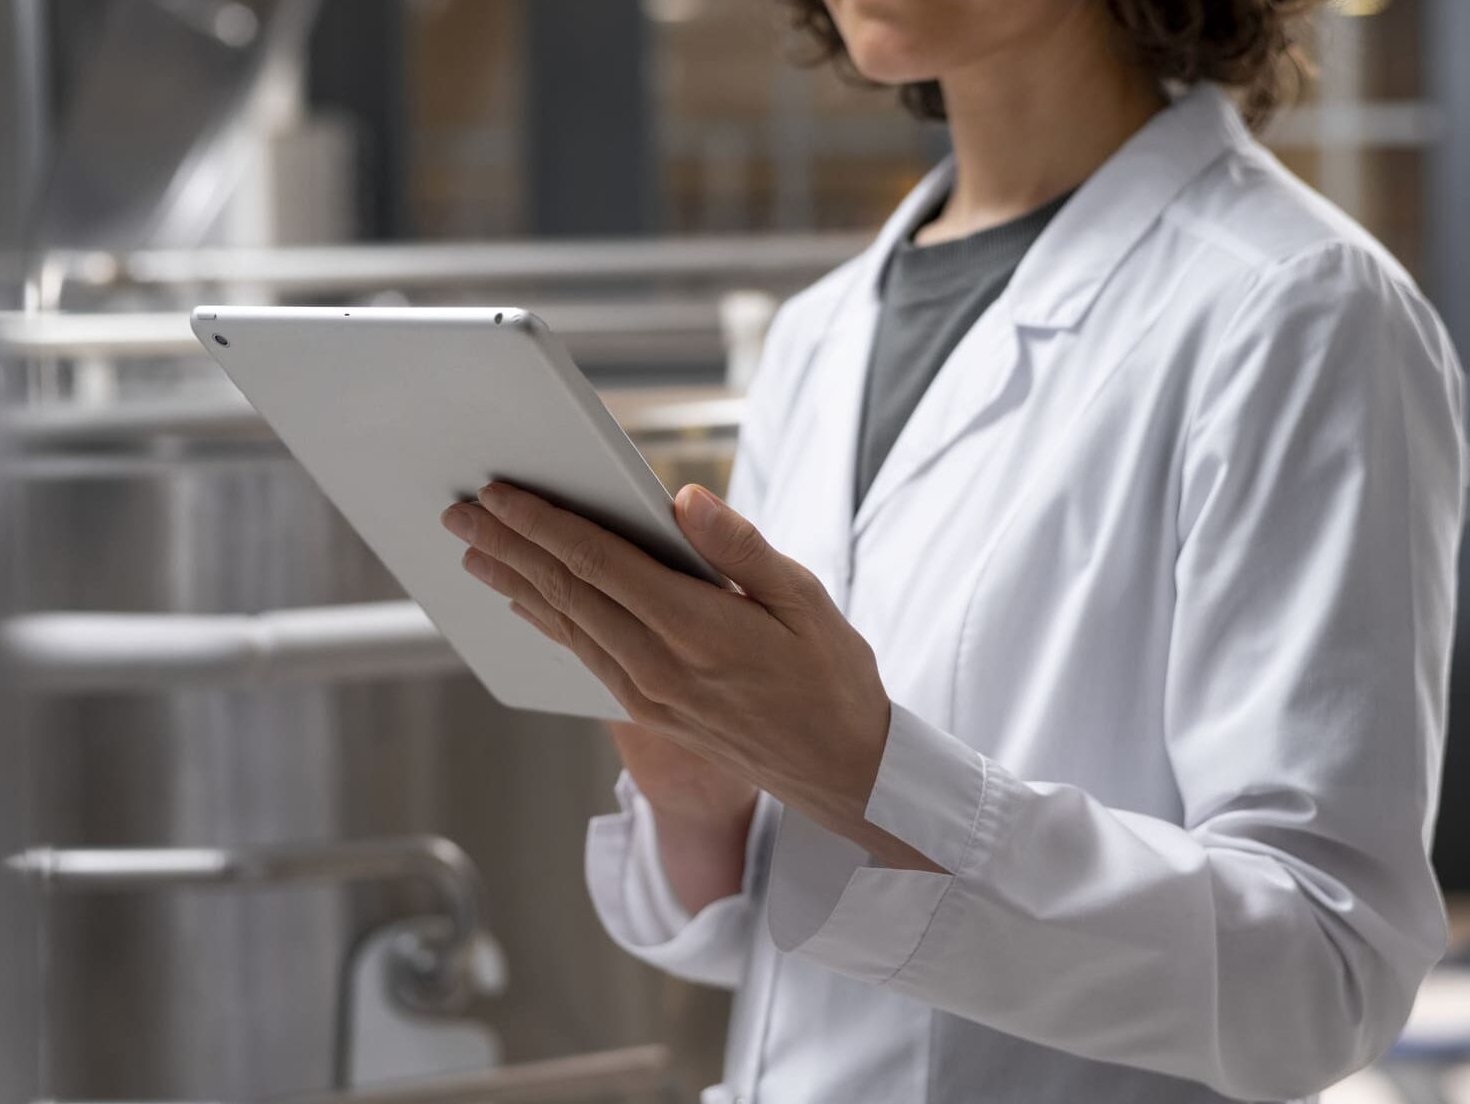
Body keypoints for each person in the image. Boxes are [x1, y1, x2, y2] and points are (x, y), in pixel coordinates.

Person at [436, 1, 1466, 1101]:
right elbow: (803, 942)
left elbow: (1321, 978)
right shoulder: (820, 334)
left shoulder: (1299, 308)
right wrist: (707, 794)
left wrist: (863, 769)